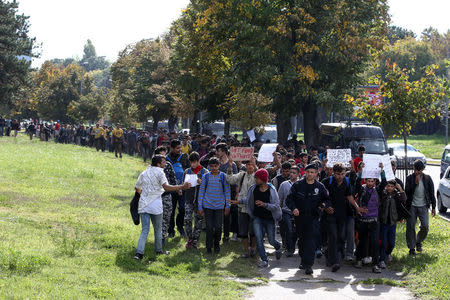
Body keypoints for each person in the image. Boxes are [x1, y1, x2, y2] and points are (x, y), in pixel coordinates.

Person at [133, 155, 191, 260]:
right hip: (156, 206)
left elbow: (137, 188)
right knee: (158, 229)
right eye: (164, 162)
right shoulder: (160, 172)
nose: (165, 164)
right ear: (159, 164)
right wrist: (181, 187)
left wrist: (146, 195)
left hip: (144, 205)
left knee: (144, 230)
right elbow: (166, 187)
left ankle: (139, 253)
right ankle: (158, 250)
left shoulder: (144, 172)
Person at [286, 164, 330, 275]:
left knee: (310, 240)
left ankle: (309, 265)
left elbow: (327, 199)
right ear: (305, 172)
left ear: (316, 174)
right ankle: (303, 260)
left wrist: (323, 204)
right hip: (300, 217)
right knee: (302, 240)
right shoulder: (297, 185)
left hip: (313, 217)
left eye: (312, 172)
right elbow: (289, 199)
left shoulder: (320, 187)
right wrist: (294, 208)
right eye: (308, 172)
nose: (309, 174)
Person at [322, 163, 366, 272]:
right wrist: (326, 207)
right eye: (337, 174)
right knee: (333, 236)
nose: (340, 176)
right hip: (330, 215)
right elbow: (321, 197)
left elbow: (349, 196)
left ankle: (329, 254)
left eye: (342, 174)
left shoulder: (346, 182)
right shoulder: (327, 182)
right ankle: (335, 262)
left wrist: (357, 208)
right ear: (333, 173)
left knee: (341, 237)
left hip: (342, 214)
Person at [244, 168, 282, 267]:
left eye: (257, 178)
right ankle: (264, 260)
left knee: (271, 240)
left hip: (269, 219)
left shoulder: (272, 190)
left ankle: (278, 247)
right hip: (257, 218)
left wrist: (265, 205)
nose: (255, 180)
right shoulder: (253, 188)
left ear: (263, 179)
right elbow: (248, 200)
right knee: (259, 239)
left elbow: (276, 206)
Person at [354, 163, 386, 273]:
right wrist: (360, 171)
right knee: (361, 241)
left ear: (375, 182)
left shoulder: (377, 190)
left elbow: (384, 183)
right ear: (365, 181)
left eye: (372, 181)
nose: (370, 183)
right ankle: (358, 259)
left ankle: (375, 265)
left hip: (374, 221)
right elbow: (357, 183)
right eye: (368, 181)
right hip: (363, 220)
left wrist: (382, 171)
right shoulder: (362, 189)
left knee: (375, 242)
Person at [197, 157, 231, 254]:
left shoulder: (223, 176)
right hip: (207, 206)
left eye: (216, 166)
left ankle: (217, 245)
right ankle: (208, 247)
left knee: (219, 227)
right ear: (209, 166)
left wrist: (227, 205)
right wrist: (200, 206)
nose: (214, 168)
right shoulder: (206, 176)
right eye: (212, 166)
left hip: (220, 206)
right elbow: (201, 191)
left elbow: (227, 191)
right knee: (209, 227)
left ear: (219, 165)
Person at [226, 157, 257, 258]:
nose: (250, 166)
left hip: (254, 207)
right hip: (242, 207)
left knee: (253, 230)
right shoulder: (242, 174)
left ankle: (253, 248)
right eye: (248, 164)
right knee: (243, 231)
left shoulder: (257, 175)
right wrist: (230, 167)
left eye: (252, 164)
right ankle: (246, 251)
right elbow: (230, 179)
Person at [405, 160, 436, 255]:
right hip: (412, 206)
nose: (416, 172)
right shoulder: (410, 178)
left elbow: (431, 193)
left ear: (422, 169)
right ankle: (411, 248)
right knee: (410, 227)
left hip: (423, 206)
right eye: (415, 170)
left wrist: (433, 207)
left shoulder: (427, 178)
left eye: (418, 170)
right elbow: (407, 192)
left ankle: (418, 241)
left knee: (425, 226)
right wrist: (415, 183)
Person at [379, 180, 406, 268]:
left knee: (391, 243)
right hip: (384, 222)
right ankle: (382, 260)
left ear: (394, 187)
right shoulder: (383, 194)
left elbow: (404, 199)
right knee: (383, 242)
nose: (389, 188)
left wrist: (400, 189)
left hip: (393, 223)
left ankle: (388, 253)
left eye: (392, 186)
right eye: (388, 186)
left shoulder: (397, 195)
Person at [183, 152, 208, 250]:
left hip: (200, 201)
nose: (193, 164)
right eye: (191, 162)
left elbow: (208, 186)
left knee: (198, 221)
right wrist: (184, 185)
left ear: (198, 161)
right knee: (187, 219)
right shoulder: (187, 171)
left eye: (195, 162)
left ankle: (195, 241)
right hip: (189, 199)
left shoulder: (205, 172)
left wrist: (201, 183)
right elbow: (182, 184)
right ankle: (190, 237)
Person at [166, 139, 190, 237]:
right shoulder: (166, 159)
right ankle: (171, 230)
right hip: (171, 188)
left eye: (180, 147)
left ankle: (180, 227)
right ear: (171, 148)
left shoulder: (184, 157)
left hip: (183, 187)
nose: (179, 149)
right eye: (177, 148)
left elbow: (189, 170)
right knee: (171, 210)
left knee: (182, 209)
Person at [216, 143, 239, 243]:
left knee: (229, 213)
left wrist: (237, 193)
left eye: (218, 151)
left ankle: (228, 235)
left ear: (224, 152)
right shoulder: (216, 163)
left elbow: (236, 179)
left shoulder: (232, 164)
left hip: (231, 192)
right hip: (218, 192)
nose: (217, 153)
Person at [277, 165, 301, 257]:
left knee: (296, 231)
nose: (291, 174)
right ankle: (289, 249)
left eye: (294, 173)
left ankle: (293, 246)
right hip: (286, 211)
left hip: (298, 211)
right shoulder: (284, 184)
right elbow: (280, 199)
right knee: (288, 229)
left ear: (298, 174)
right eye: (290, 172)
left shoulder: (301, 184)